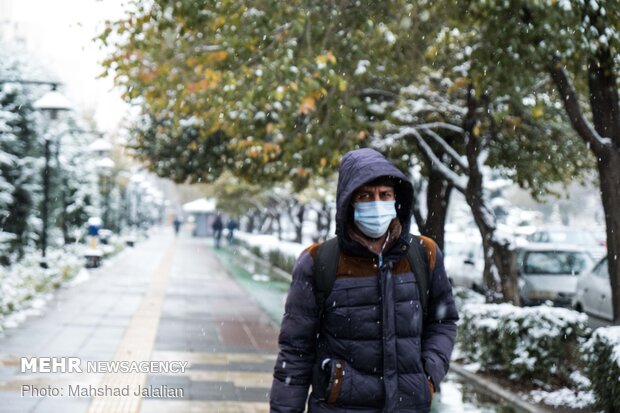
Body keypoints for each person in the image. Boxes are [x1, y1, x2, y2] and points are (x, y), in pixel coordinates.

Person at [270, 148, 458, 413]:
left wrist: (429, 372)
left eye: (385, 195)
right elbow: (296, 351)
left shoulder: (423, 253)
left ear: (396, 200)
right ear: (349, 203)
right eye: (366, 195)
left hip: (408, 405)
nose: (376, 203)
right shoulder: (319, 261)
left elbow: (444, 320)